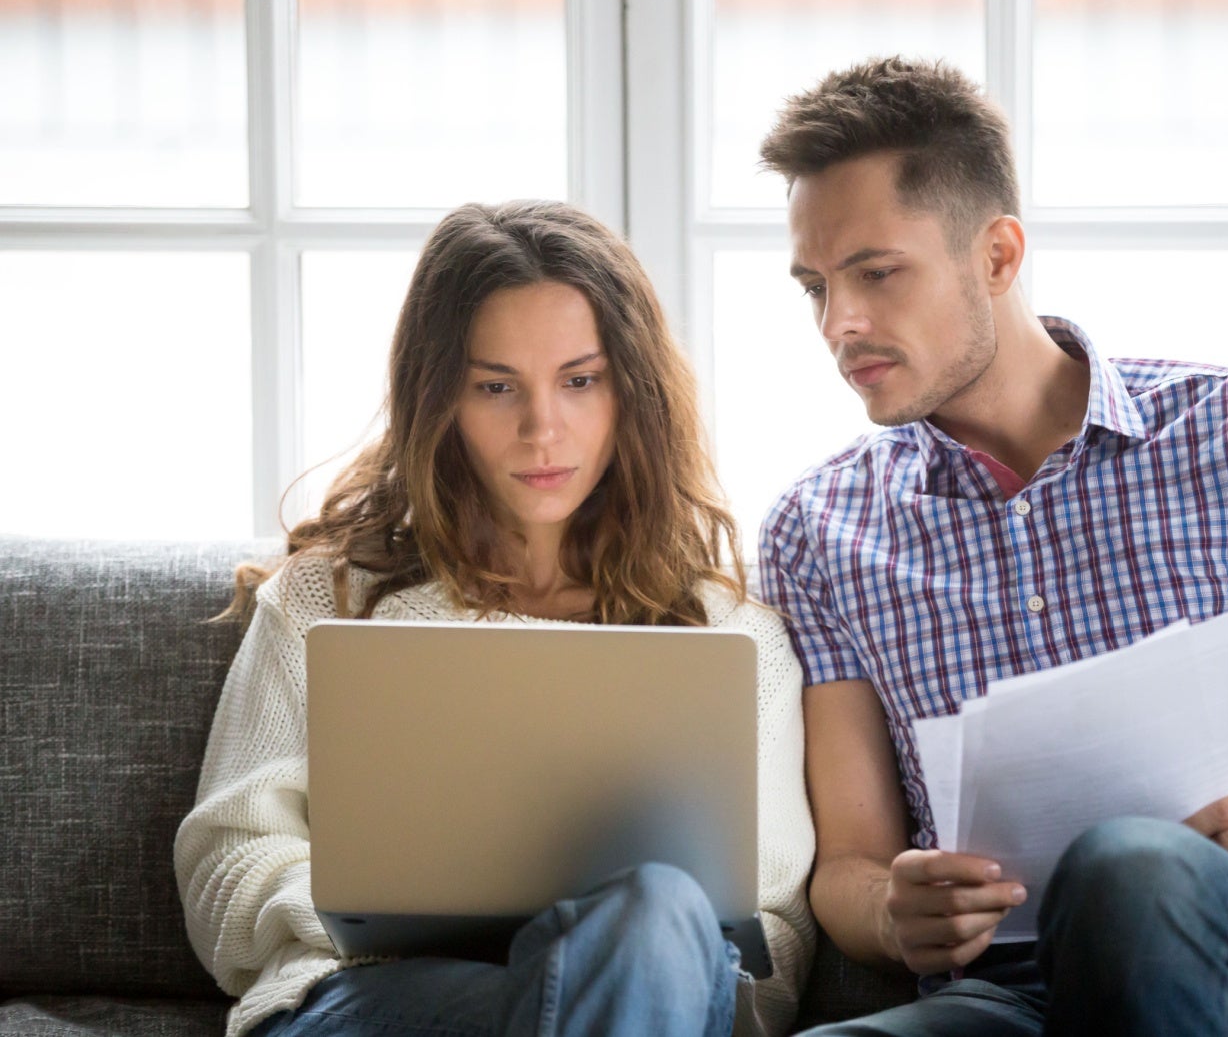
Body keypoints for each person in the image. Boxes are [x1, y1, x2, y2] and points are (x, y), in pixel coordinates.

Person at [755, 57, 1228, 1036]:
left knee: (1129, 867)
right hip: (1008, 994)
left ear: (997, 255)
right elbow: (849, 866)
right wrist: (890, 908)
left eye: (876, 273)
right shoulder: (817, 530)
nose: (840, 325)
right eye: (814, 288)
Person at [175, 200, 815, 1037]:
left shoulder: (732, 636)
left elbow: (773, 931)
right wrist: (363, 923)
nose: (541, 428)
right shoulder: (327, 600)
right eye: (495, 386)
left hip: (641, 999)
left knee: (658, 912)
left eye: (580, 380)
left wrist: (604, 960)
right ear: (440, 398)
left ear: (635, 393)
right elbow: (228, 858)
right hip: (377, 1002)